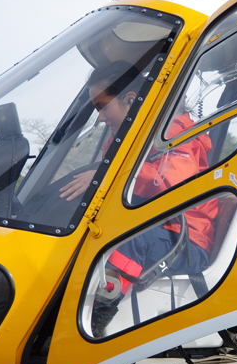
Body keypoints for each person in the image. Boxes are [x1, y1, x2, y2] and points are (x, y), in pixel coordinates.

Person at [75, 61, 218, 337]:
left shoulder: (176, 131)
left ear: (130, 100)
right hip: (154, 231)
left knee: (123, 244)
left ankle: (89, 329)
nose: (101, 118)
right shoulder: (125, 137)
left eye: (103, 107)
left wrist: (106, 175)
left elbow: (172, 182)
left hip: (185, 240)